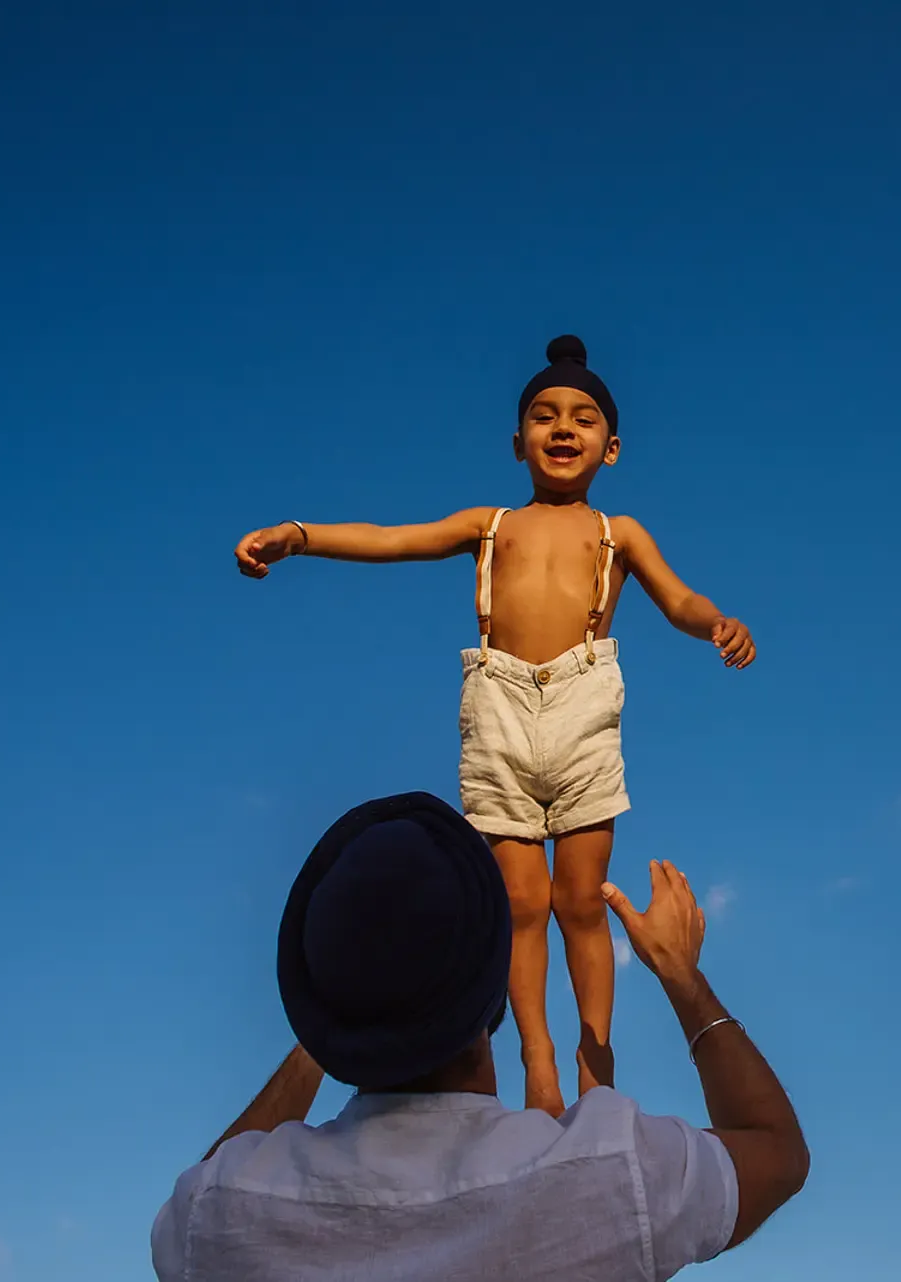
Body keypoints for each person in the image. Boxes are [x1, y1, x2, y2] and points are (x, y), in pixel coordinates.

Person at [231, 336, 756, 1115]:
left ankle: (594, 1058)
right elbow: (393, 539)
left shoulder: (620, 532)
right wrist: (300, 536)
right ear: (519, 443)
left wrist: (715, 623)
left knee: (581, 899)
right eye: (544, 416)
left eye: (582, 417)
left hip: (580, 706)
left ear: (611, 448)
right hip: (501, 709)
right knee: (518, 903)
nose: (562, 427)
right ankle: (536, 1060)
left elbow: (678, 599)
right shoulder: (491, 525)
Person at [152, 792, 807, 1281]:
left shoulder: (224, 1214)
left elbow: (202, 1186)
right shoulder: (605, 1172)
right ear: (497, 988)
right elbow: (777, 1151)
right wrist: (680, 974)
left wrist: (334, 1021)